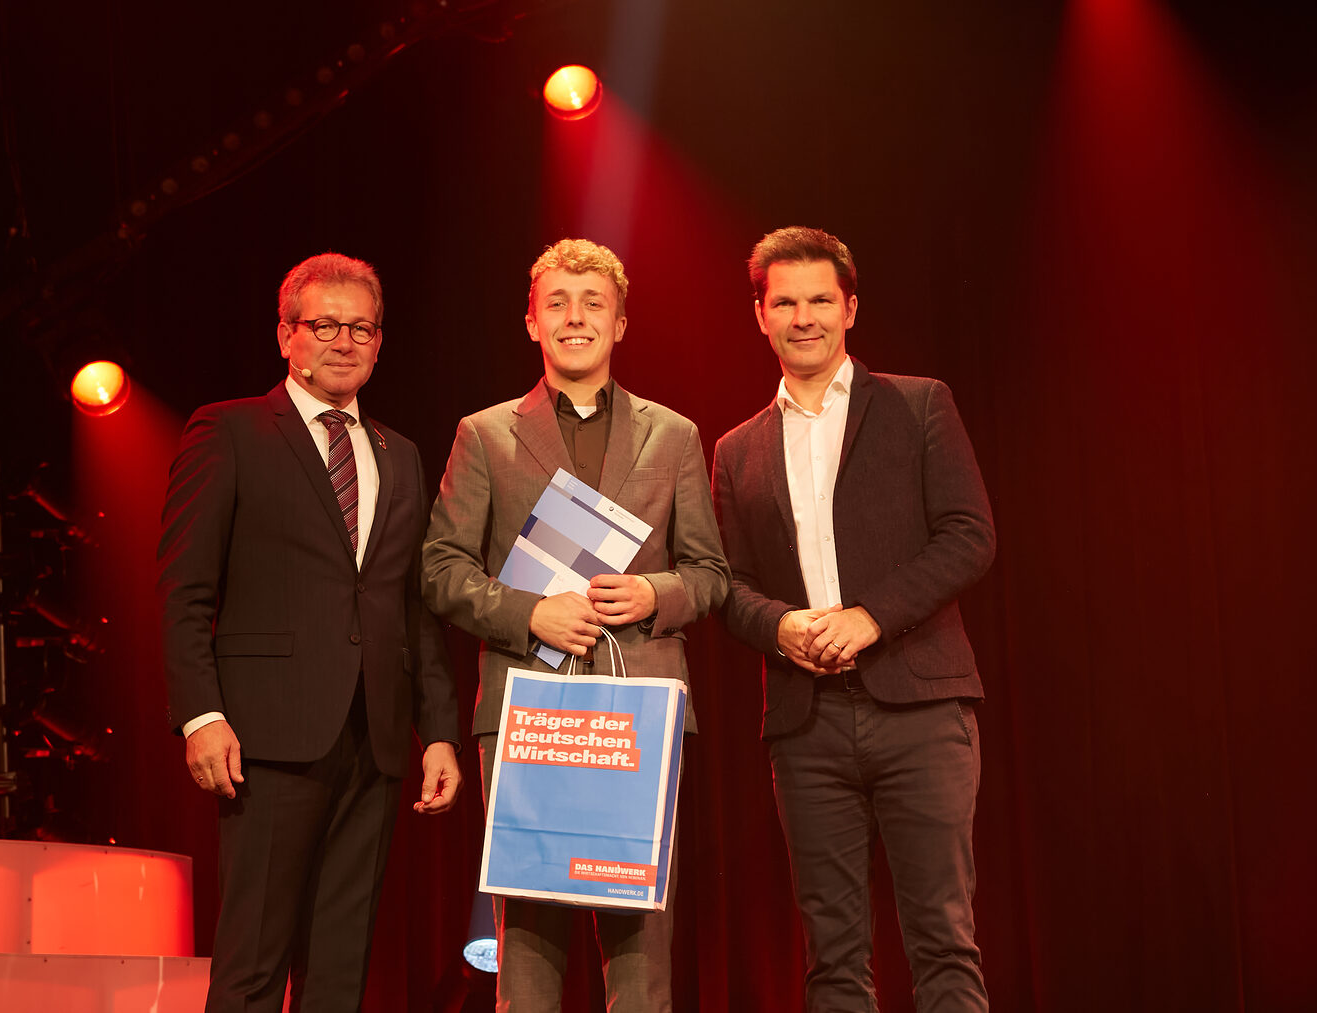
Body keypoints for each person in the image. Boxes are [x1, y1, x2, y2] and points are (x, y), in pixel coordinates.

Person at [422, 238, 728, 1011]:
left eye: (594, 303)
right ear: (531, 322)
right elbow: (441, 569)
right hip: (530, 711)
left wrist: (654, 592)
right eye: (556, 302)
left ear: (622, 323)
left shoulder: (676, 435)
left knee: (640, 942)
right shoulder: (484, 434)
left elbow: (711, 575)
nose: (575, 317)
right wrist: (533, 613)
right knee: (526, 940)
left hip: (640, 716)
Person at [157, 252, 462, 1012]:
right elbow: (184, 590)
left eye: (361, 326)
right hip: (265, 736)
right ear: (286, 336)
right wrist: (202, 713)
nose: (343, 340)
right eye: (324, 324)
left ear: (380, 341)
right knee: (254, 959)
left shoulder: (401, 453)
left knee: (340, 962)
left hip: (376, 739)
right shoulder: (227, 430)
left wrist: (441, 731)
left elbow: (411, 607)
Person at [712, 227, 996, 1012]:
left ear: (850, 308)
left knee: (943, 940)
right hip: (808, 730)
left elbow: (971, 534)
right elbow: (728, 585)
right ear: (760, 316)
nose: (804, 317)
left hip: (922, 708)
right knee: (832, 957)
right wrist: (781, 627)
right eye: (786, 303)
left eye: (820, 301)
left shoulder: (919, 402)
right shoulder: (736, 450)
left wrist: (873, 615)